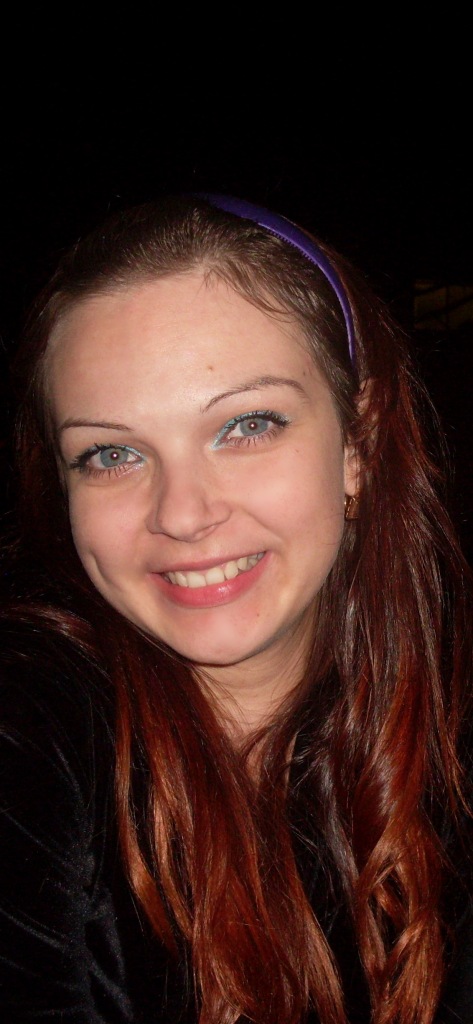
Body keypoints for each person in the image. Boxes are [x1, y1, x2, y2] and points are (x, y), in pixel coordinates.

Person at [0, 194, 472, 1024]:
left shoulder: (443, 736)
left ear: (356, 444)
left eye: (247, 425)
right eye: (110, 454)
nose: (182, 514)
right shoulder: (32, 730)